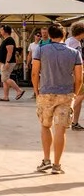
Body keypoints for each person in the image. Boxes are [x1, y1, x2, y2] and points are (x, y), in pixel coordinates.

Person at [32, 23, 83, 175]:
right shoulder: (74, 53)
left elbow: (35, 73)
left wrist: (36, 91)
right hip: (66, 94)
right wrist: (75, 93)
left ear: (49, 35)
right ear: (64, 35)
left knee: (45, 126)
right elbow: (79, 78)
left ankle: (46, 160)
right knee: (61, 130)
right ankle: (57, 165)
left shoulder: (40, 49)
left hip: (46, 92)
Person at [0, 25, 25, 102]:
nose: (0, 31)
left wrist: (7, 62)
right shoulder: (6, 39)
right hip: (4, 62)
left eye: (1, 30)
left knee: (5, 78)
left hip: (8, 62)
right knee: (5, 79)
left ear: (5, 31)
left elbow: (10, 52)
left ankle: (19, 90)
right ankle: (6, 96)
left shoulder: (9, 40)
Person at [68, 22, 84, 131]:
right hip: (75, 73)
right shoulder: (74, 43)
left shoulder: (71, 41)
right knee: (80, 95)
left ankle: (75, 122)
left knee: (79, 96)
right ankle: (68, 110)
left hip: (73, 72)